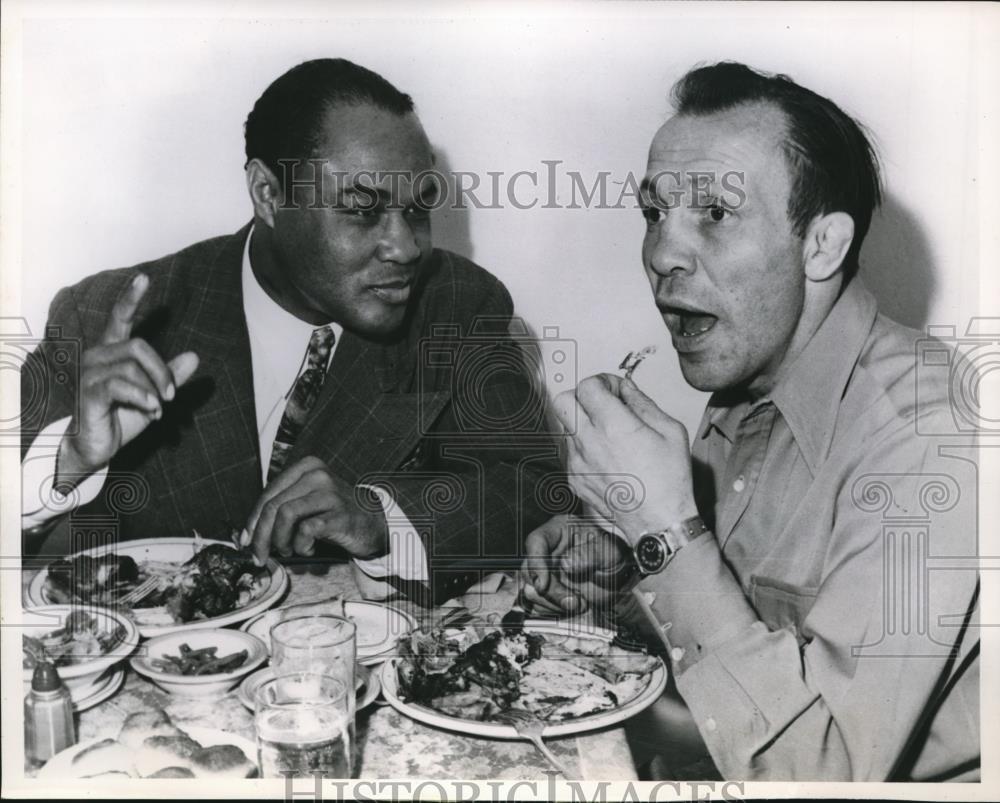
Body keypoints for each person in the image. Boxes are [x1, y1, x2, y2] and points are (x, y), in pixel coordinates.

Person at [523, 62, 980, 781]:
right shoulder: (746, 388)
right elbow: (746, 636)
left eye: (715, 213)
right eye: (654, 213)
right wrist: (623, 568)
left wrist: (663, 534)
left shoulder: (929, 440)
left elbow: (821, 776)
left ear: (821, 245)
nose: (662, 254)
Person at [21, 58, 562, 606]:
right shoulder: (104, 319)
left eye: (417, 210)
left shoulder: (457, 306)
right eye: (362, 210)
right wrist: (68, 460)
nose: (406, 248)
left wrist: (383, 521)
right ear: (267, 194)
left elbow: (533, 493)